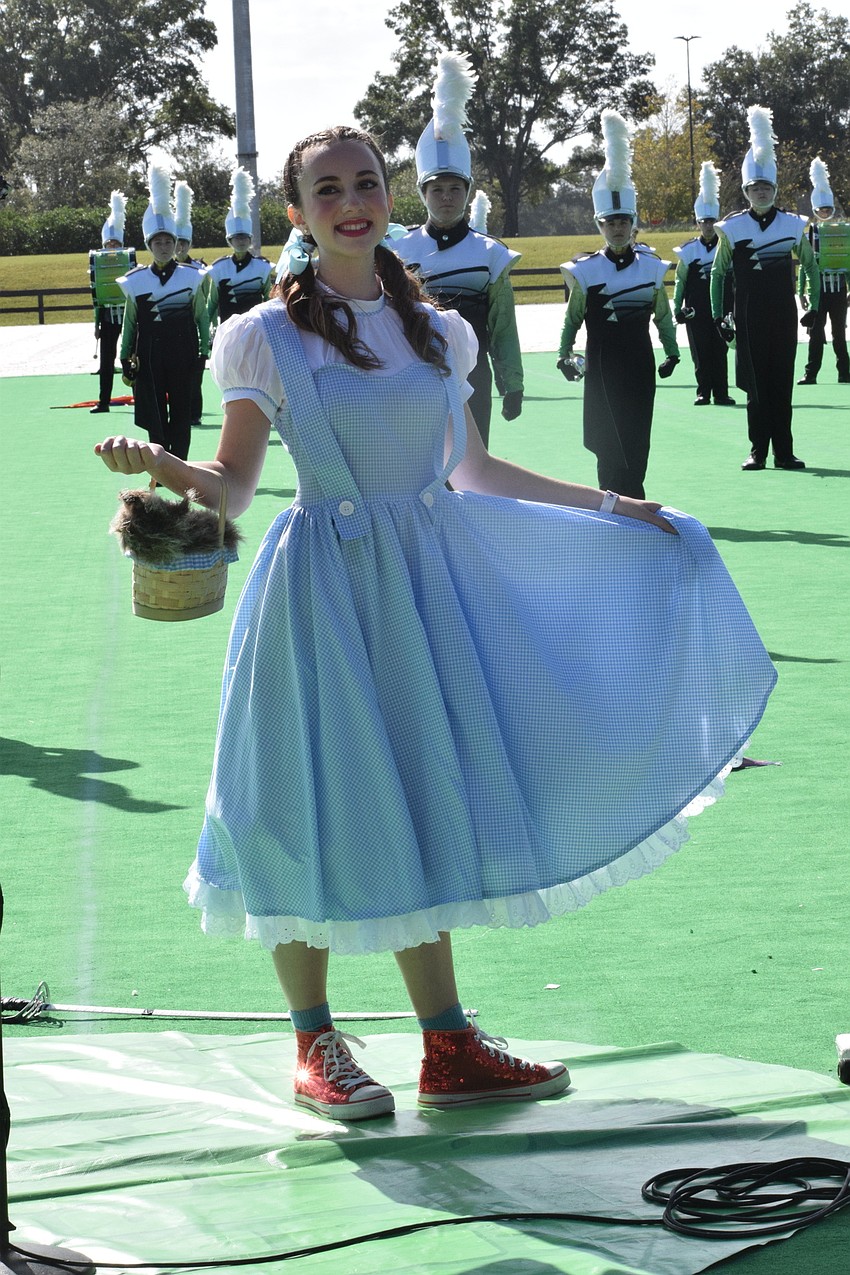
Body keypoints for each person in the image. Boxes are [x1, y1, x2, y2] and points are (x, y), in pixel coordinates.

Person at [95, 125, 776, 1123]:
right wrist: (164, 466)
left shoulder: (437, 329)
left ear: (390, 196)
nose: (349, 200)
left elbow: (474, 473)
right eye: (325, 189)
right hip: (321, 591)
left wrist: (618, 507)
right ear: (298, 214)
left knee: (425, 793)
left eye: (365, 182)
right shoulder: (262, 335)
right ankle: (313, 1042)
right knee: (305, 799)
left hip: (426, 585)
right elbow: (234, 489)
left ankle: (447, 1045)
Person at [393, 51, 524, 448]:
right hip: (415, 376)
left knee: (472, 470)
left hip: (474, 377)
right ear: (423, 193)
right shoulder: (400, 250)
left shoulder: (490, 254)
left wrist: (511, 381)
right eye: (437, 189)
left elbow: (503, 326)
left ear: (467, 192)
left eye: (455, 189)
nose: (446, 198)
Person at [558, 109, 679, 500]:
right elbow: (573, 318)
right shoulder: (587, 271)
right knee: (606, 438)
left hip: (640, 364)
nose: (617, 228)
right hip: (602, 366)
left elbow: (663, 316)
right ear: (600, 226)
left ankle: (636, 499)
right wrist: (564, 353)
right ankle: (611, 501)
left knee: (637, 434)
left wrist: (673, 352)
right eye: (610, 223)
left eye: (623, 221)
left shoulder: (651, 268)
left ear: (634, 223)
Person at [710, 105, 819, 471]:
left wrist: (814, 306)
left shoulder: (792, 225)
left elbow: (812, 266)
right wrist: (718, 315)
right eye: (754, 187)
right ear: (745, 190)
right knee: (756, 387)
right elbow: (718, 272)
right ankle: (757, 450)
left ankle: (784, 452)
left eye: (766, 186)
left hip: (783, 314)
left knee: (782, 384)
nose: (760, 192)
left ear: (774, 188)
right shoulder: (733, 228)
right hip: (748, 313)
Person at [116, 163, 211, 461]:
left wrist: (203, 350)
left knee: (182, 414)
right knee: (154, 414)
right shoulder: (136, 280)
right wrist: (124, 355)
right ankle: (159, 466)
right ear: (149, 245)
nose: (164, 246)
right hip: (150, 353)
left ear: (175, 243)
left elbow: (201, 316)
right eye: (158, 242)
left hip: (183, 351)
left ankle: (180, 465)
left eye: (169, 241)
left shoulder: (192, 276)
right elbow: (130, 321)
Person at [673, 162, 736, 407]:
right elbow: (680, 280)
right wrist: (678, 307)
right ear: (698, 223)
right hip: (696, 309)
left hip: (721, 307)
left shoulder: (726, 246)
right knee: (700, 352)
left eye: (712, 221)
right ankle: (703, 392)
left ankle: (721, 392)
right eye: (704, 222)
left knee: (720, 350)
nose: (708, 226)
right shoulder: (689, 250)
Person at [797, 157, 849, 387]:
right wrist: (801, 291)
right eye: (821, 209)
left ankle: (844, 372)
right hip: (818, 292)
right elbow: (804, 264)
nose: (825, 213)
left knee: (839, 334)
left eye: (828, 209)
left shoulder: (843, 232)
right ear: (815, 210)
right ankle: (811, 373)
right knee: (815, 334)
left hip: (838, 290)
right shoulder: (809, 233)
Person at [206, 167, 272, 335]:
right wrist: (208, 329)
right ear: (229, 241)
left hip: (257, 331)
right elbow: (211, 304)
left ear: (250, 240)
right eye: (237, 238)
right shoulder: (219, 269)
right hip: (227, 332)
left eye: (244, 237)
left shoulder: (262, 267)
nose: (241, 241)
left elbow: (270, 300)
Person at [89, 191, 135, 414]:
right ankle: (103, 402)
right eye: (109, 243)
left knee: (132, 359)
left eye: (116, 243)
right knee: (106, 362)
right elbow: (97, 298)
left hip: (128, 317)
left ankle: (139, 399)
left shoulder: (128, 262)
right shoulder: (99, 265)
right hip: (108, 317)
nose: (112, 246)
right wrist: (96, 325)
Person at [173, 179, 209, 427]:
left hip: (195, 322)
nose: (180, 247)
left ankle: (194, 412)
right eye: (176, 243)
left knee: (194, 375)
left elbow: (206, 297)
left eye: (184, 243)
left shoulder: (200, 269)